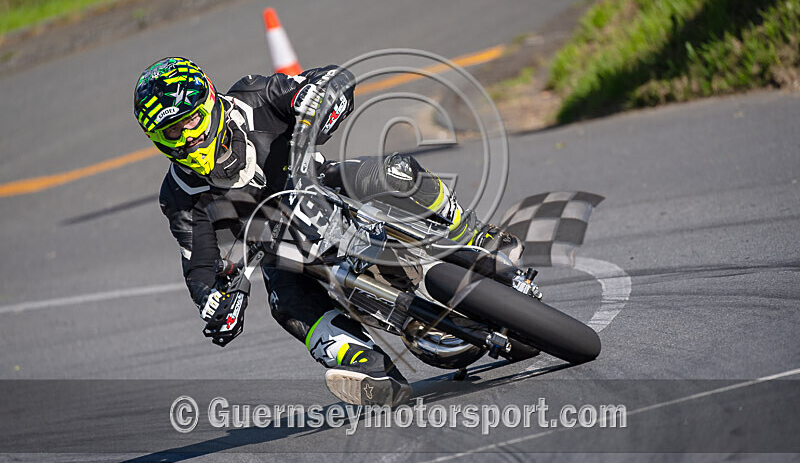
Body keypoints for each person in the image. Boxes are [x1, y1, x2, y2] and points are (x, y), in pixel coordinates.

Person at [133, 57, 522, 407]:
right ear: (158, 142)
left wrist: (318, 96)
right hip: (280, 249)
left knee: (397, 170)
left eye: (191, 121)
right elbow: (199, 265)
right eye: (172, 133)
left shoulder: (254, 98)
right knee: (286, 306)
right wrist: (215, 304)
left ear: (212, 105)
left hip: (324, 186)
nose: (188, 138)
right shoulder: (179, 196)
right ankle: (373, 372)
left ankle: (473, 232)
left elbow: (334, 79)